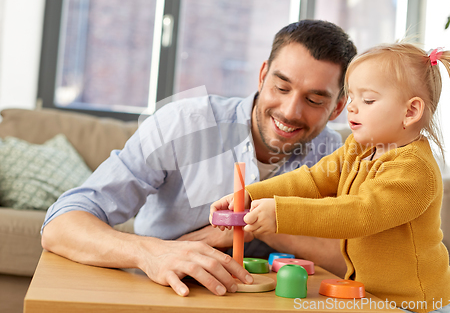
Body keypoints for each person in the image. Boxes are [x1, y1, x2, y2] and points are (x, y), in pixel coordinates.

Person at [41, 20, 357, 297]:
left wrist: (263, 224)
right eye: (281, 87)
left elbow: (356, 260)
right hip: (165, 295)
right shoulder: (185, 124)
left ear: (338, 108)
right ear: (262, 76)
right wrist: (150, 253)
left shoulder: (335, 156)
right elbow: (60, 224)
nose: (290, 112)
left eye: (314, 99)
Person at [210, 43, 450, 313]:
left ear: (410, 112)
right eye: (352, 97)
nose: (352, 108)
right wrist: (253, 194)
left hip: (415, 304)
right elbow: (312, 179)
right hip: (369, 294)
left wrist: (282, 214)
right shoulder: (358, 148)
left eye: (367, 100)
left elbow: (361, 214)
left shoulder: (414, 170)